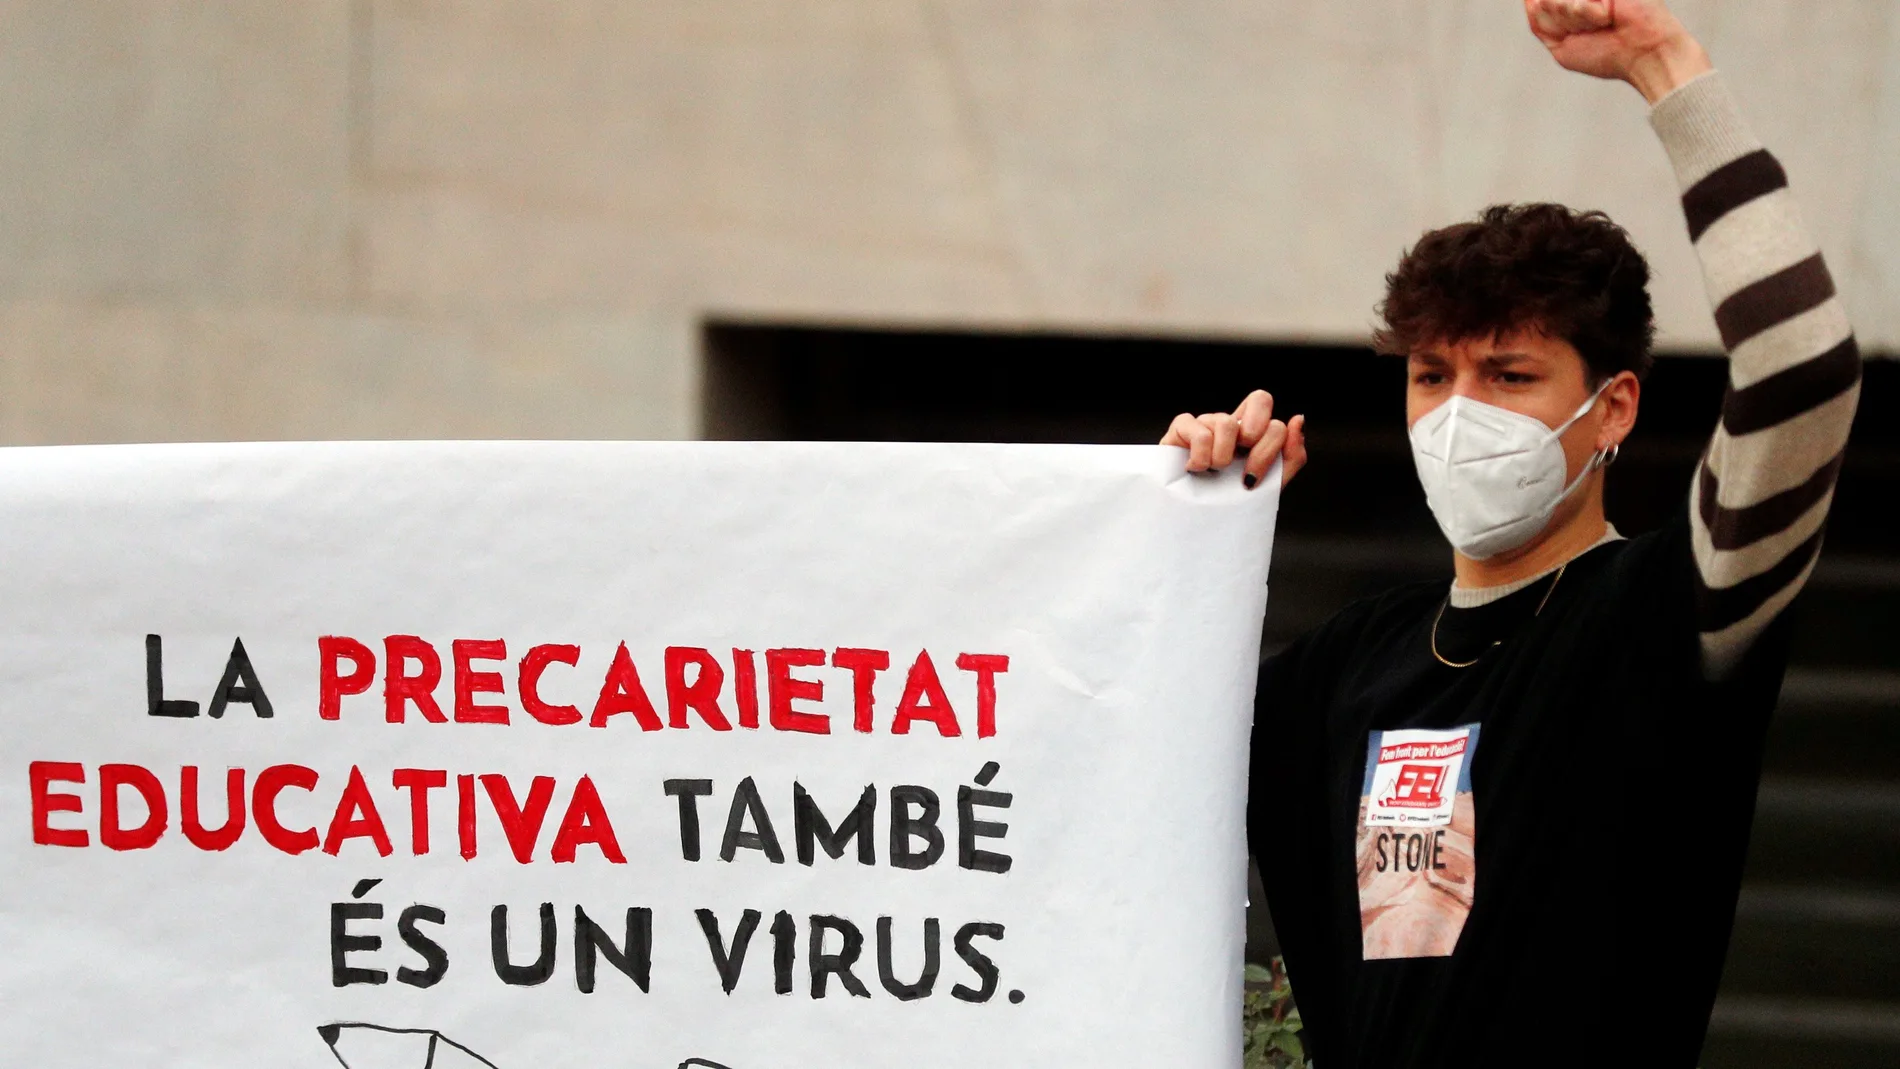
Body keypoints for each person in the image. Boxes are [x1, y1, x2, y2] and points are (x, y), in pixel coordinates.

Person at [1162, 1, 1863, 1064]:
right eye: (1431, 376)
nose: (1458, 414)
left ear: (1615, 408)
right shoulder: (1347, 663)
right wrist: (1184, 523)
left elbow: (1802, 376)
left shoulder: (1666, 612)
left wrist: (1664, 67)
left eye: (1509, 376)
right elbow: (1105, 747)